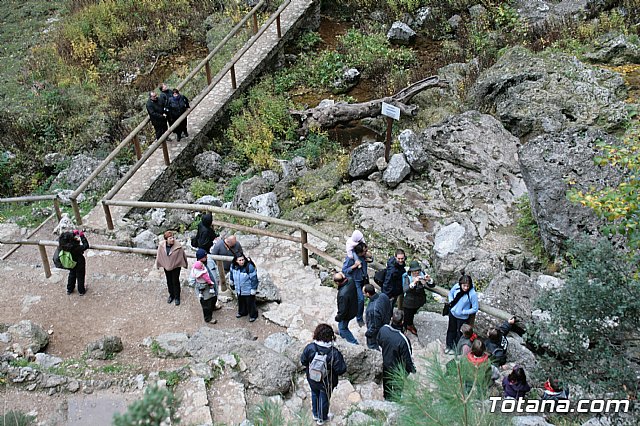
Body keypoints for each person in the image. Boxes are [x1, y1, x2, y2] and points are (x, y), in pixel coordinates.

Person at [300, 324, 347, 425]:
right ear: (331, 337)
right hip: (327, 382)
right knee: (324, 399)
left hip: (312, 378)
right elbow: (341, 369)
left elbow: (303, 361)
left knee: (314, 394)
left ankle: (315, 414)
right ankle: (322, 418)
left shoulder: (310, 347)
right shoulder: (334, 353)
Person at [377, 310, 415, 400]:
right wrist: (412, 369)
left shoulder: (383, 329)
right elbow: (407, 358)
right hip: (398, 368)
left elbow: (379, 341)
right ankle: (396, 401)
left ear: (391, 319)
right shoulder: (403, 339)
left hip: (386, 363)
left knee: (387, 385)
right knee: (397, 387)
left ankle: (387, 399)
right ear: (402, 322)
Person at [445, 272, 478, 354]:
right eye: (464, 285)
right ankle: (449, 346)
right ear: (461, 284)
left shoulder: (472, 294)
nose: (466, 288)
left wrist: (464, 312)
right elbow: (450, 293)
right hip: (453, 313)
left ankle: (456, 348)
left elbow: (475, 308)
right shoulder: (456, 287)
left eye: (468, 286)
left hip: (462, 317)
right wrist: (451, 301)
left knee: (460, 333)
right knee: (451, 330)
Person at [155, 230, 188, 305]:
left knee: (175, 281)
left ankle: (177, 297)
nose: (172, 239)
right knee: (169, 281)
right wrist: (159, 264)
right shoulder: (161, 246)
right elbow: (159, 255)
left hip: (176, 266)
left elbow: (182, 256)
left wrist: (185, 264)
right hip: (166, 266)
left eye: (173, 237)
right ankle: (171, 295)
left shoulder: (178, 246)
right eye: (170, 238)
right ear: (166, 239)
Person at [342, 242, 370, 327]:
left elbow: (370, 260)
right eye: (364, 251)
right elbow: (344, 270)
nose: (366, 252)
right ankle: (359, 318)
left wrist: (370, 257)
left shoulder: (363, 256)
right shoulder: (351, 258)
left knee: (365, 296)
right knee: (361, 299)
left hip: (363, 278)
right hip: (356, 281)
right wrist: (354, 266)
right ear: (359, 252)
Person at [401, 260, 433, 335]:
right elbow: (405, 289)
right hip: (409, 301)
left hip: (419, 299)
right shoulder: (407, 277)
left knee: (413, 313)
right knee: (407, 315)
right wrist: (414, 283)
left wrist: (428, 280)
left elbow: (432, 285)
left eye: (418, 270)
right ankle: (406, 327)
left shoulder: (422, 274)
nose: (417, 272)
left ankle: (410, 324)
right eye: (414, 271)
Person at [189, 248, 219, 324]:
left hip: (213, 285)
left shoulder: (210, 261)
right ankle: (208, 318)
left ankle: (213, 307)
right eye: (204, 256)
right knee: (206, 305)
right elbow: (192, 279)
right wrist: (198, 286)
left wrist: (217, 278)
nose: (206, 257)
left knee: (214, 298)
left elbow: (215, 269)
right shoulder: (196, 267)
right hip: (204, 290)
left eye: (206, 256)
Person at [59, 230, 89, 295]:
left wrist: (73, 233)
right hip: (79, 262)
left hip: (70, 261)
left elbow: (66, 238)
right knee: (80, 276)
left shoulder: (62, 245)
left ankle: (69, 289)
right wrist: (82, 236)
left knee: (72, 275)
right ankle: (81, 291)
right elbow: (86, 245)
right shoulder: (74, 247)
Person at [230, 254, 259, 322]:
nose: (242, 261)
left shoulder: (249, 267)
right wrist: (231, 282)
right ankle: (242, 312)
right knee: (241, 301)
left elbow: (254, 279)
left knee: (250, 303)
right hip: (239, 289)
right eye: (239, 260)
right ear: (236, 261)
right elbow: (231, 274)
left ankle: (253, 315)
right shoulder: (233, 266)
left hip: (248, 289)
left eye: (242, 260)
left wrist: (253, 289)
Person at [363, 284, 392, 350]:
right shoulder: (383, 295)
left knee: (372, 344)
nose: (363, 295)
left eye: (364, 293)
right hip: (386, 321)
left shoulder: (372, 309)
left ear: (368, 294)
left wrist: (368, 333)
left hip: (377, 330)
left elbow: (375, 326)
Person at [333, 271, 359, 345]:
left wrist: (338, 317)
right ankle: (342, 334)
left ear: (338, 283)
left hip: (348, 314)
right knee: (342, 327)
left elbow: (342, 311)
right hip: (354, 307)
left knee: (342, 328)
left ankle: (354, 342)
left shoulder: (342, 294)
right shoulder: (351, 281)